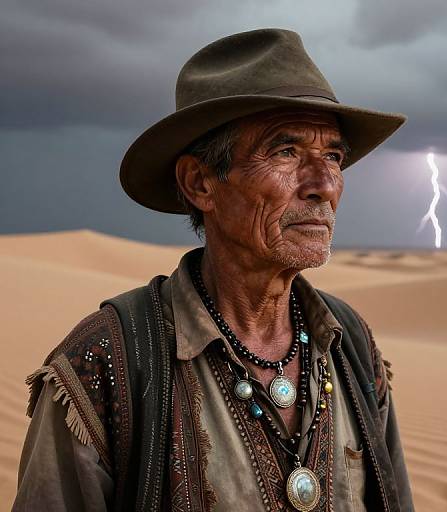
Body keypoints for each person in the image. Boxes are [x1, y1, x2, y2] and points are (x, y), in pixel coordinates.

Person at [13, 29, 414, 512]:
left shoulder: (350, 347)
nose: (324, 185)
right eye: (286, 152)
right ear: (201, 182)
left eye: (333, 155)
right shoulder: (106, 364)